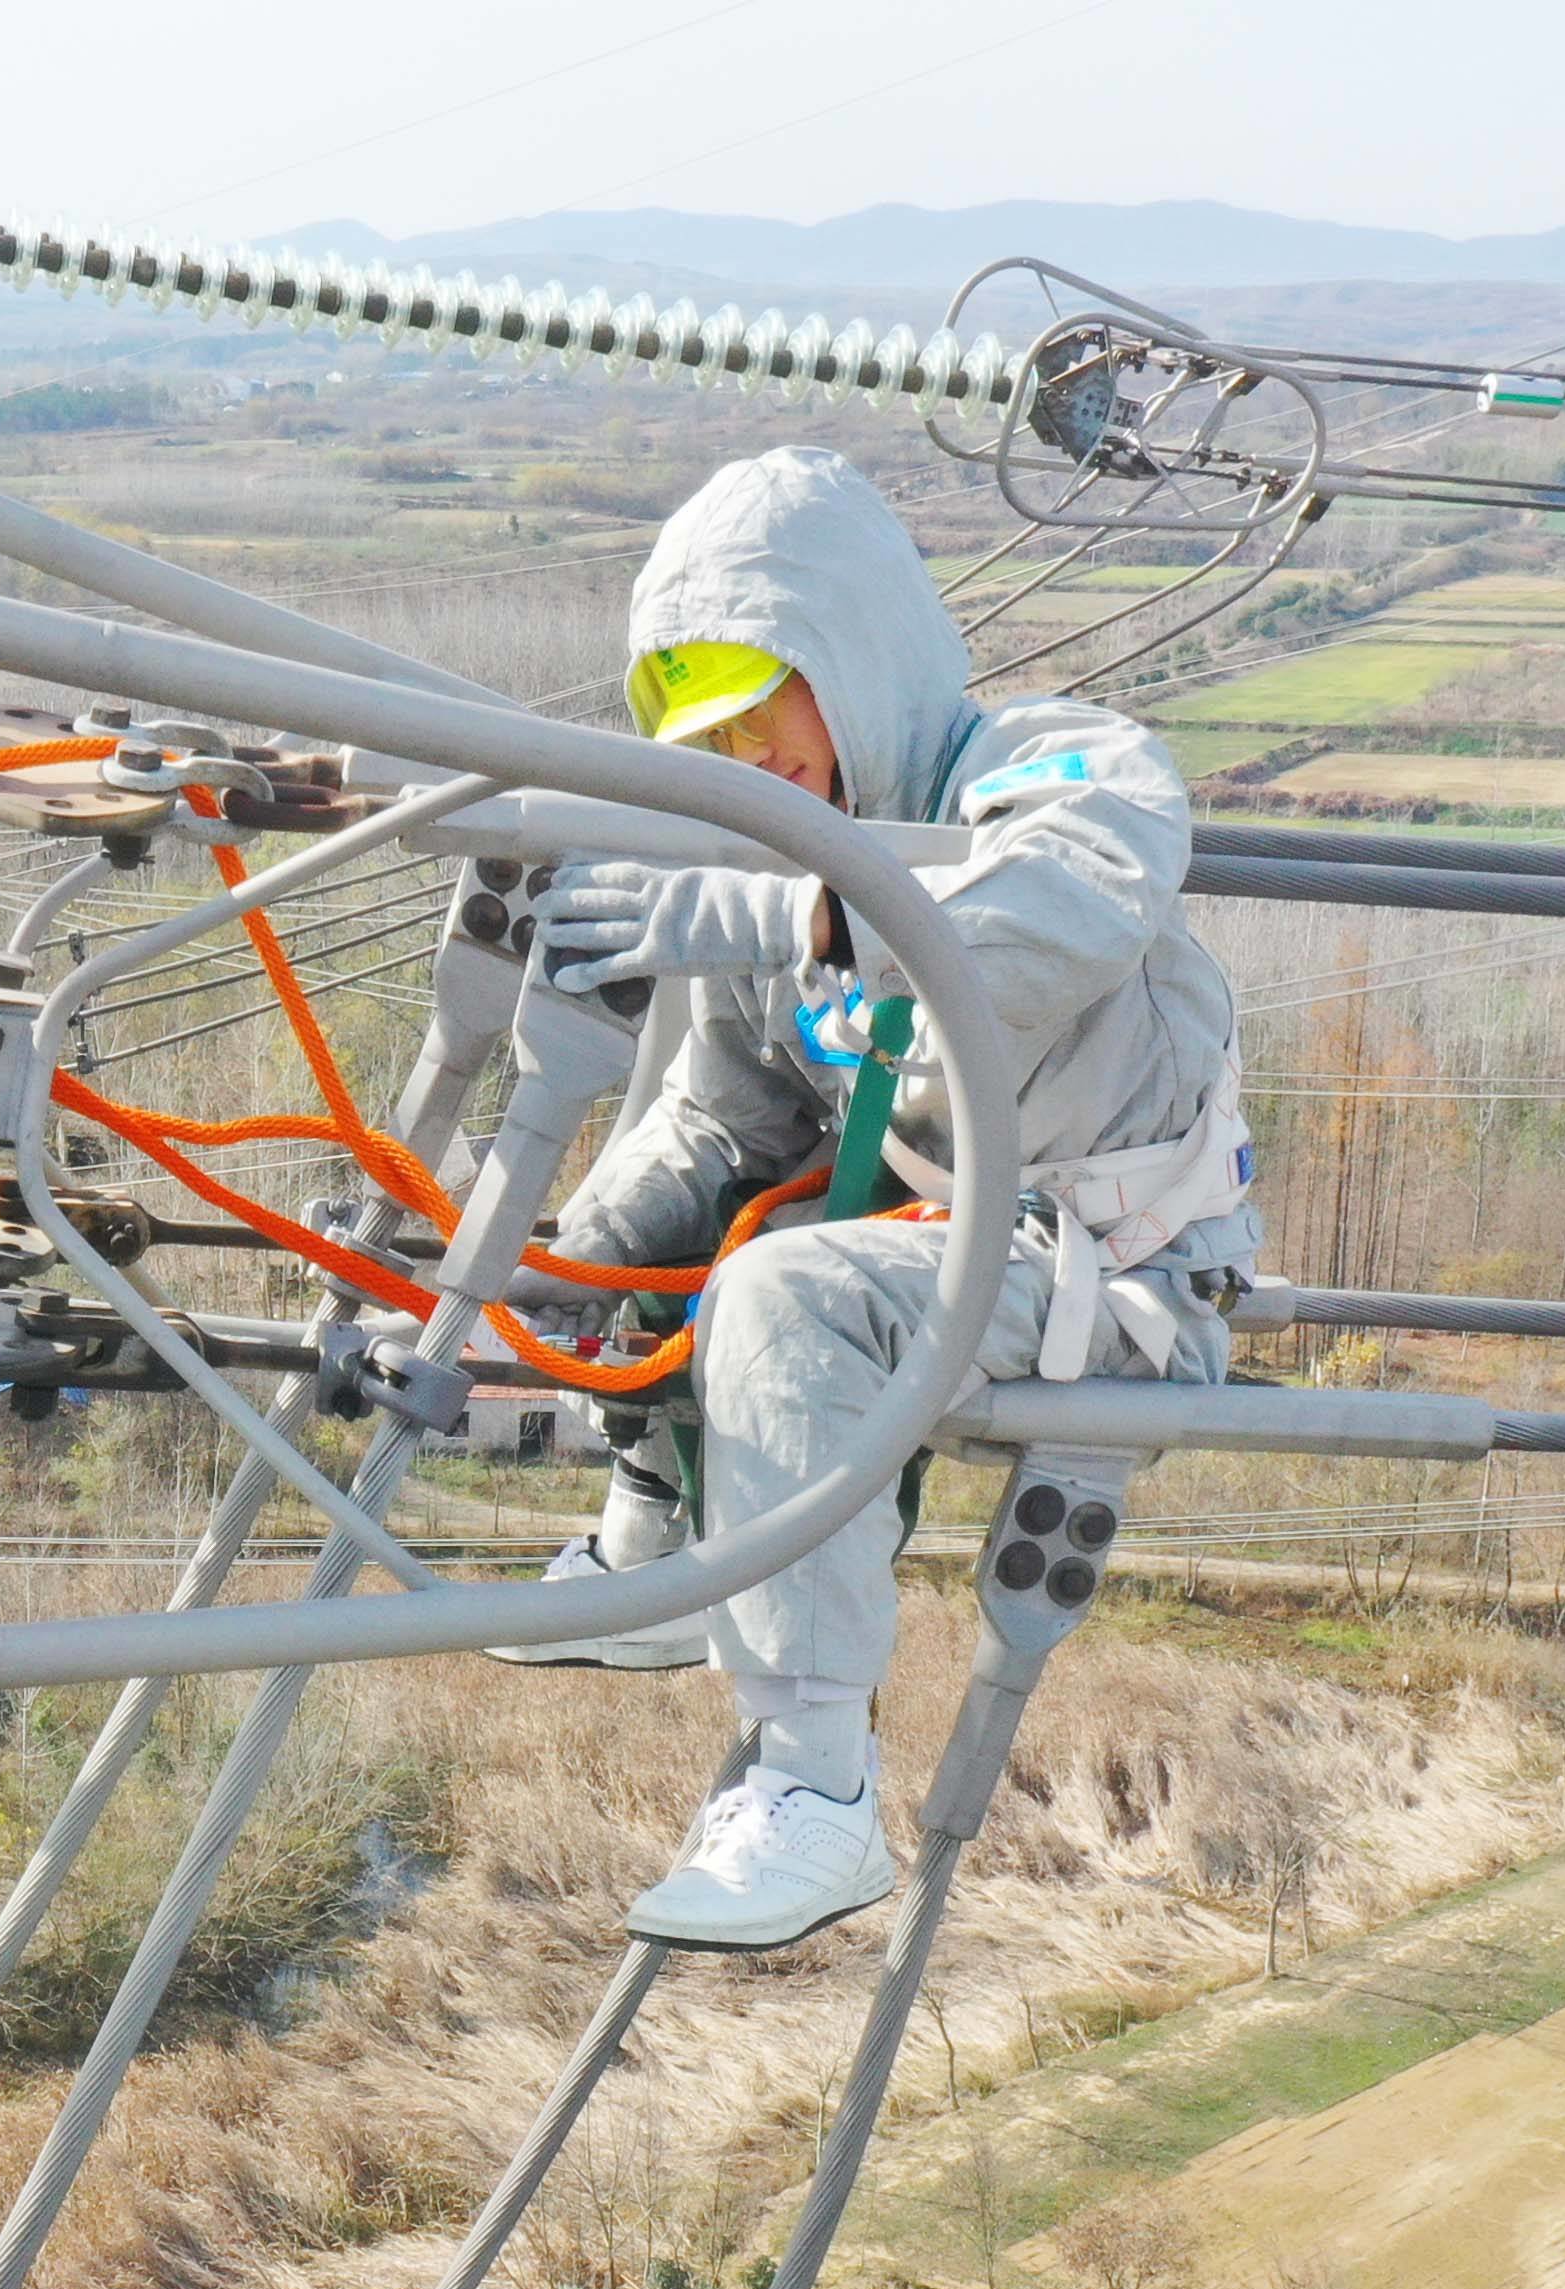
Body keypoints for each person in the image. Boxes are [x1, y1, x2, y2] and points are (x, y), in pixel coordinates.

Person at [483, 446, 1256, 1951]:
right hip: (930, 1249)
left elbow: (1062, 910)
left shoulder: (1053, 767)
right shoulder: (772, 868)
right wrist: (582, 1254)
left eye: (780, 718)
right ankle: (656, 1553)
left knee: (782, 1294)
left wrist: (822, 909)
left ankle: (818, 1783)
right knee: (698, 1233)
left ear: (858, 668)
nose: (763, 766)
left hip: (1109, 1260)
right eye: (726, 741)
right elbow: (720, 1117)